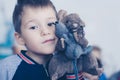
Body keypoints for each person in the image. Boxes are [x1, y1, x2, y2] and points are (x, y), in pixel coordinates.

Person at [0, 0, 100, 80]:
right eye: (34, 27)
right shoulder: (7, 68)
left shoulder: (70, 64)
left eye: (50, 24)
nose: (45, 31)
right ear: (20, 38)